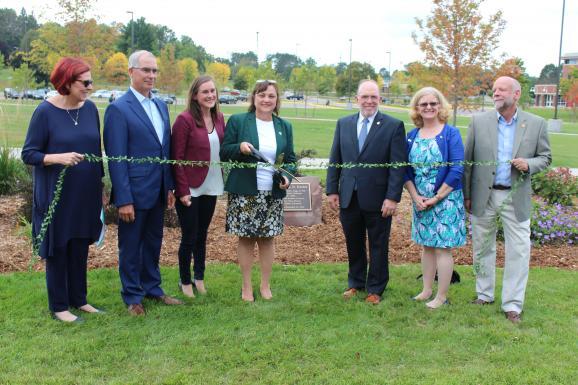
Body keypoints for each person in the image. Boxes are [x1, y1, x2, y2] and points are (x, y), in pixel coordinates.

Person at [22, 57, 104, 323]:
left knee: (80, 244)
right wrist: (57, 157)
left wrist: (100, 186)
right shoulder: (45, 112)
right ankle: (59, 306)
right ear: (67, 82)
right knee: (59, 246)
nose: (90, 87)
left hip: (86, 192)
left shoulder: (90, 109)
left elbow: (96, 152)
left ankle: (79, 300)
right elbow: (29, 153)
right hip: (56, 194)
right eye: (86, 82)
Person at [464, 76, 551, 324]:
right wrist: (467, 195)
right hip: (484, 196)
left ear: (516, 94)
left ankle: (512, 304)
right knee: (482, 247)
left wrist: (529, 164)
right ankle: (484, 294)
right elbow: (468, 162)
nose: (496, 93)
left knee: (519, 251)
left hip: (516, 196)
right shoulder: (478, 122)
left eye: (501, 89)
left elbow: (545, 157)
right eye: (494, 90)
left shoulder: (536, 124)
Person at [104, 50, 181, 316]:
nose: (151, 75)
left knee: (153, 242)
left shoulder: (161, 106)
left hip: (158, 190)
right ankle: (132, 296)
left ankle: (153, 289)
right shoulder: (118, 109)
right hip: (133, 193)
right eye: (146, 70)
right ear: (131, 72)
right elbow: (116, 158)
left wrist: (169, 186)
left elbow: (165, 150)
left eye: (154, 71)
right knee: (131, 245)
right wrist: (123, 198)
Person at [326, 79, 406, 305]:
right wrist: (332, 189)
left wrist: (392, 197)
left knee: (378, 244)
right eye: (365, 97)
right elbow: (336, 159)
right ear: (357, 99)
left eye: (374, 97)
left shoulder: (393, 126)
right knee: (354, 242)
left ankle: (376, 288)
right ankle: (356, 282)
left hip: (379, 199)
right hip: (349, 196)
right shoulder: (344, 123)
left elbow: (398, 166)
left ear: (380, 99)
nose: (369, 101)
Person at [220, 80, 297, 302]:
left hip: (271, 192)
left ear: (276, 100)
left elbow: (290, 160)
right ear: (254, 97)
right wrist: (240, 148)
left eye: (271, 96)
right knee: (245, 238)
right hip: (245, 191)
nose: (266, 100)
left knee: (267, 239)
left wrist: (287, 177)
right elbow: (224, 153)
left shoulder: (284, 126)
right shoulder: (239, 121)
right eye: (262, 95)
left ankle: (265, 285)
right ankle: (246, 287)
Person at [404, 87, 466, 309]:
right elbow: (405, 171)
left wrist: (437, 198)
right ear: (417, 109)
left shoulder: (451, 134)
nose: (429, 107)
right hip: (420, 200)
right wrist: (415, 196)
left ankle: (441, 296)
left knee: (442, 248)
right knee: (426, 246)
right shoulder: (411, 137)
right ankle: (426, 290)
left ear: (440, 106)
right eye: (424, 104)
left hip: (446, 199)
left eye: (433, 103)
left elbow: (457, 169)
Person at [171, 76, 225, 297]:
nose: (210, 95)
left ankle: (199, 277)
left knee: (202, 234)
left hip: (212, 184)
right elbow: (177, 158)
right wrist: (182, 191)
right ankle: (184, 281)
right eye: (205, 92)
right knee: (189, 236)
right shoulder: (184, 120)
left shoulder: (219, 118)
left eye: (213, 91)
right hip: (190, 188)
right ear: (195, 95)